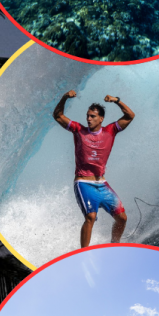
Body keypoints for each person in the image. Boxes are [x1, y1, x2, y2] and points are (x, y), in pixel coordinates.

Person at [53, 90, 135, 247]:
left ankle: (115, 244)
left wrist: (117, 100)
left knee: (122, 218)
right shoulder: (78, 130)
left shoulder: (110, 131)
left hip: (102, 184)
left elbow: (130, 116)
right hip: (83, 183)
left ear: (101, 118)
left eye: (92, 116)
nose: (88, 119)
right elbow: (57, 116)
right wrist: (64, 97)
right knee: (90, 217)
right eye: (87, 116)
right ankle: (83, 253)